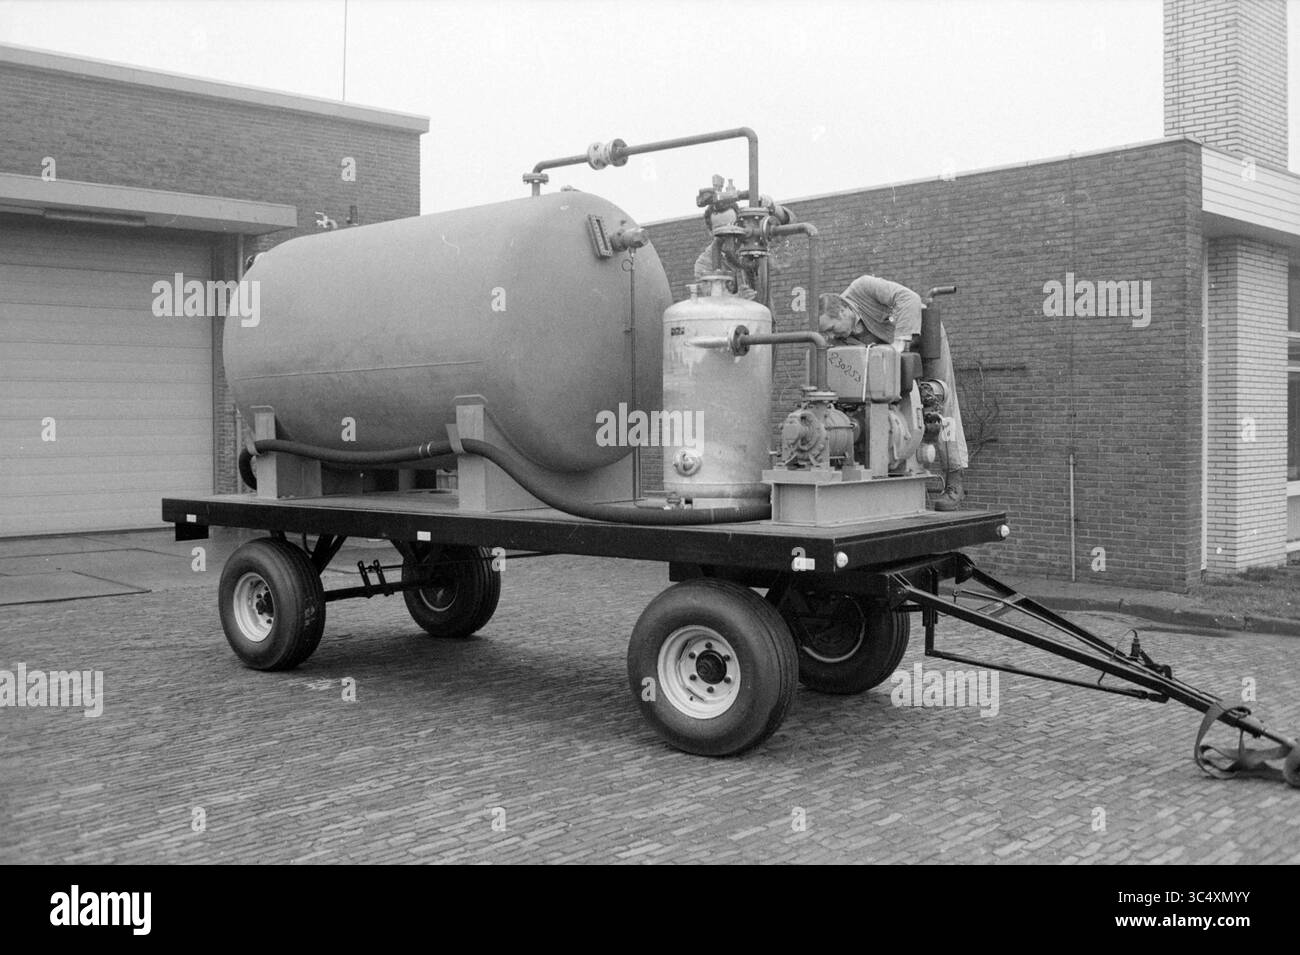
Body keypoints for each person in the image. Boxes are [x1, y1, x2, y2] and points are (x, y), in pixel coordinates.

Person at [817, 275, 968, 510]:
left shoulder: (863, 287)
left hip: (925, 337)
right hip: (893, 357)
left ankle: (955, 481)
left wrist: (899, 343)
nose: (830, 337)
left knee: (941, 401)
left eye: (831, 328)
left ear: (845, 311)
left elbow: (909, 298)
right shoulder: (842, 339)